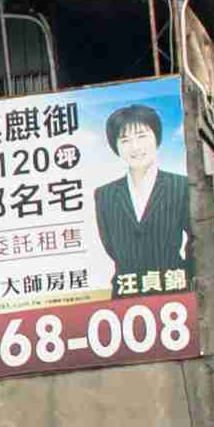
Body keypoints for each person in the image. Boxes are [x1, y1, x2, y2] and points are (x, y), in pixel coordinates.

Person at [87, 95, 192, 286]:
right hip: (126, 293)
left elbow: (197, 238)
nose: (135, 147)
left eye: (142, 136)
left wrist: (186, 275)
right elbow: (110, 245)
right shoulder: (105, 195)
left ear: (157, 138)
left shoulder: (180, 186)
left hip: (174, 289)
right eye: (125, 140)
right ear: (116, 146)